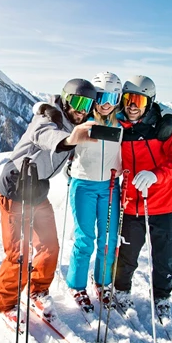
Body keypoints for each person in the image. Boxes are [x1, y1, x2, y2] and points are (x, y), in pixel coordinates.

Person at [0, 78, 98, 323]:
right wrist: (70, 140)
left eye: (88, 104)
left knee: (49, 246)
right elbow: (47, 136)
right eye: (77, 101)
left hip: (38, 189)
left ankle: (38, 290)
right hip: (15, 188)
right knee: (19, 253)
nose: (82, 109)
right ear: (65, 99)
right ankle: (6, 304)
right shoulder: (48, 120)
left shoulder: (73, 120)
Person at [113, 75, 172, 319]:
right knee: (127, 254)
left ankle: (162, 297)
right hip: (132, 204)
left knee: (165, 257)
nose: (132, 105)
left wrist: (157, 175)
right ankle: (122, 291)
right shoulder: (117, 126)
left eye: (138, 100)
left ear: (149, 102)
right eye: (128, 99)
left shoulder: (164, 128)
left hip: (164, 203)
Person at [65, 72, 123, 313]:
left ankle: (102, 282)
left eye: (112, 96)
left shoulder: (122, 123)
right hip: (84, 184)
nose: (106, 103)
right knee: (85, 239)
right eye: (101, 96)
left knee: (108, 240)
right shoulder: (81, 120)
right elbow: (59, 121)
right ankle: (76, 285)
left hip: (110, 185)